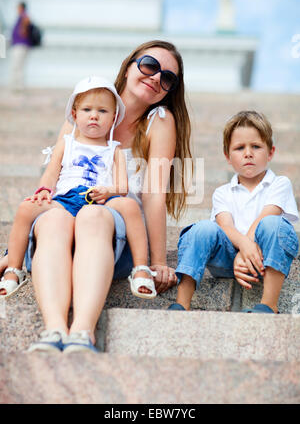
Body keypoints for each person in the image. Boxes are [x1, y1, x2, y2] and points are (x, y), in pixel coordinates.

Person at [0, 40, 192, 352]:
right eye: (149, 66)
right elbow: (53, 179)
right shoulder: (84, 108)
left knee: (93, 213)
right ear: (129, 66)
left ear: (170, 89)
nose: (157, 78)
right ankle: (53, 330)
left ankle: (82, 332)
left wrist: (157, 262)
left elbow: (154, 194)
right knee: (53, 219)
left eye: (168, 78)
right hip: (60, 234)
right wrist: (14, 254)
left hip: (113, 237)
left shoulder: (159, 122)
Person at [0, 76, 154, 301]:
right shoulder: (67, 143)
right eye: (87, 109)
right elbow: (52, 173)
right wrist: (44, 190)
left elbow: (123, 187)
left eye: (102, 111)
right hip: (64, 200)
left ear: (113, 119)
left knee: (129, 205)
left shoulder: (114, 150)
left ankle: (141, 268)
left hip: (100, 201)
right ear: (74, 114)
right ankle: (14, 269)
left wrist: (109, 191)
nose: (94, 115)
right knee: (25, 208)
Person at [169, 110, 299, 313]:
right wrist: (242, 249)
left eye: (256, 146)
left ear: (271, 152)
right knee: (203, 228)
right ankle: (181, 303)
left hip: (265, 258)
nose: (248, 153)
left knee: (274, 224)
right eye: (240, 148)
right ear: (228, 156)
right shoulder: (222, 192)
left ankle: (268, 305)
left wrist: (246, 250)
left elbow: (266, 216)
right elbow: (225, 226)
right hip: (228, 258)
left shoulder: (279, 183)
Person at [10, 1, 31, 91]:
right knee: (18, 66)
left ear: (21, 8)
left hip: (20, 45)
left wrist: (23, 30)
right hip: (20, 44)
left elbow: (27, 22)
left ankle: (18, 86)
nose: (17, 9)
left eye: (18, 7)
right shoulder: (22, 16)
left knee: (17, 66)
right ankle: (18, 85)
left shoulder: (23, 15)